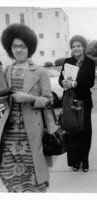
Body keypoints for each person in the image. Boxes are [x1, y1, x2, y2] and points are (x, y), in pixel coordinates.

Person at [0, 23, 53, 192]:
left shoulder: (40, 72)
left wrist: (30, 98)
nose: (19, 50)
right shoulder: (7, 70)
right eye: (14, 46)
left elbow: (49, 100)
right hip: (9, 132)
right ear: (10, 49)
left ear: (29, 48)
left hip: (32, 131)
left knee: (33, 173)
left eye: (22, 46)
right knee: (8, 171)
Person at [58, 35, 95, 172]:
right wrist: (63, 82)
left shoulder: (90, 62)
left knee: (85, 132)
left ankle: (85, 161)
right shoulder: (67, 62)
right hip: (69, 101)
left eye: (78, 46)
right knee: (72, 132)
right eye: (73, 46)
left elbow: (90, 83)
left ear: (84, 47)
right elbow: (61, 78)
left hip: (84, 102)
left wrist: (74, 83)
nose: (76, 49)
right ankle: (75, 161)